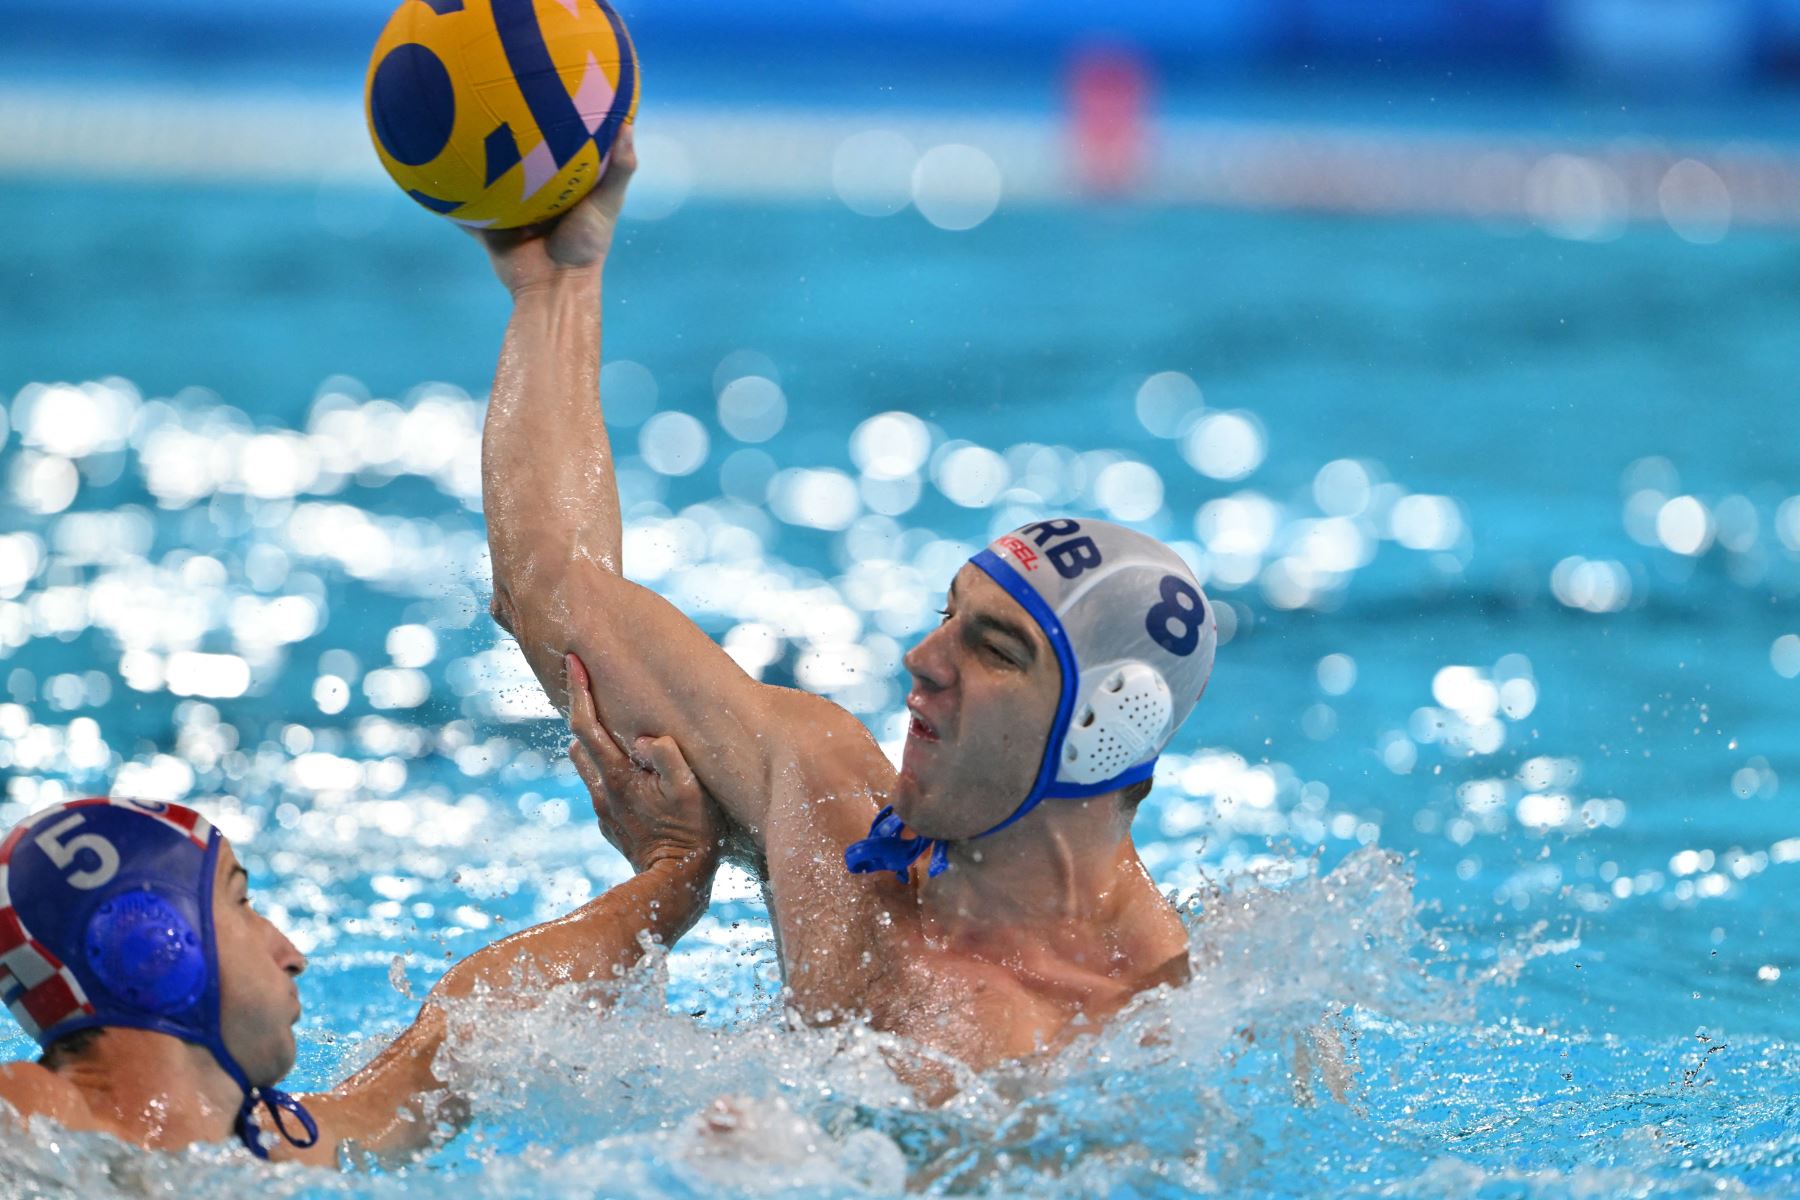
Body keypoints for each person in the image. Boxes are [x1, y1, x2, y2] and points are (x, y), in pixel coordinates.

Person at [478, 128, 1218, 1074]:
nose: (923, 658)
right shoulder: (832, 816)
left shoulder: (1146, 1044)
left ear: (1102, 733)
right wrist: (558, 286)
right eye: (949, 613)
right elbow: (554, 591)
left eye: (993, 648)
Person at [0, 671, 719, 1161]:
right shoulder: (28, 1116)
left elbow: (465, 1034)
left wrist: (677, 867)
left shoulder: (273, 1150)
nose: (291, 952)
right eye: (241, 902)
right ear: (154, 948)